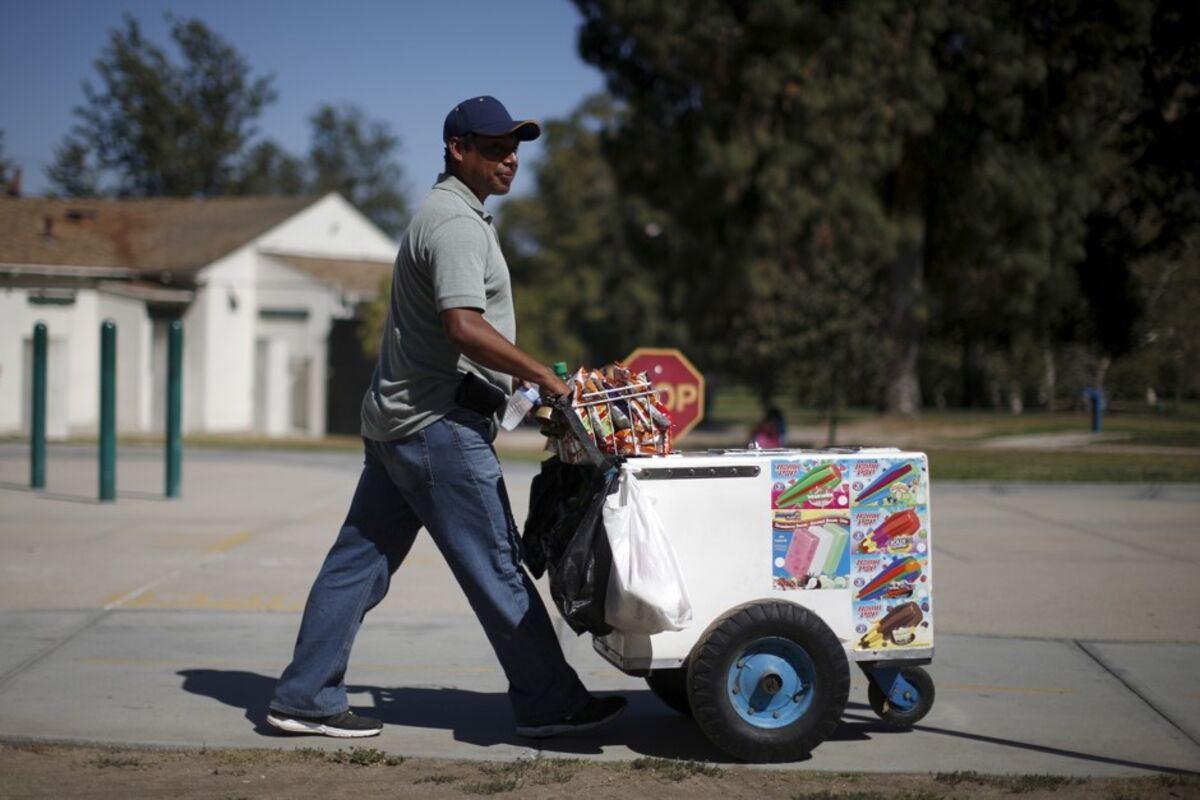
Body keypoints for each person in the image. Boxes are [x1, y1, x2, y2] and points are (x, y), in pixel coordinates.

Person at [266, 96, 627, 739]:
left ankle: (303, 696)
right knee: (496, 565)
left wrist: (516, 378)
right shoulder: (457, 224)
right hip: (438, 429)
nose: (509, 158)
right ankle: (551, 702)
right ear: (457, 149)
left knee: (356, 565)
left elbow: (460, 333)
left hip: (399, 425)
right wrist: (543, 375)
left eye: (515, 147)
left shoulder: (445, 214)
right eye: (493, 147)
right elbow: (462, 326)